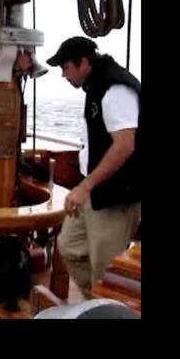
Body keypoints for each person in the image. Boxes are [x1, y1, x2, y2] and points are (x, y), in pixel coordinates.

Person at [46, 37, 141, 299]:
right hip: (95, 191)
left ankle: (107, 306)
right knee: (69, 246)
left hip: (115, 196)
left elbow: (125, 145)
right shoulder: (96, 85)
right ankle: (97, 303)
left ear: (83, 62)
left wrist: (85, 186)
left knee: (105, 269)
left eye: (66, 68)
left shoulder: (115, 89)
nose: (63, 74)